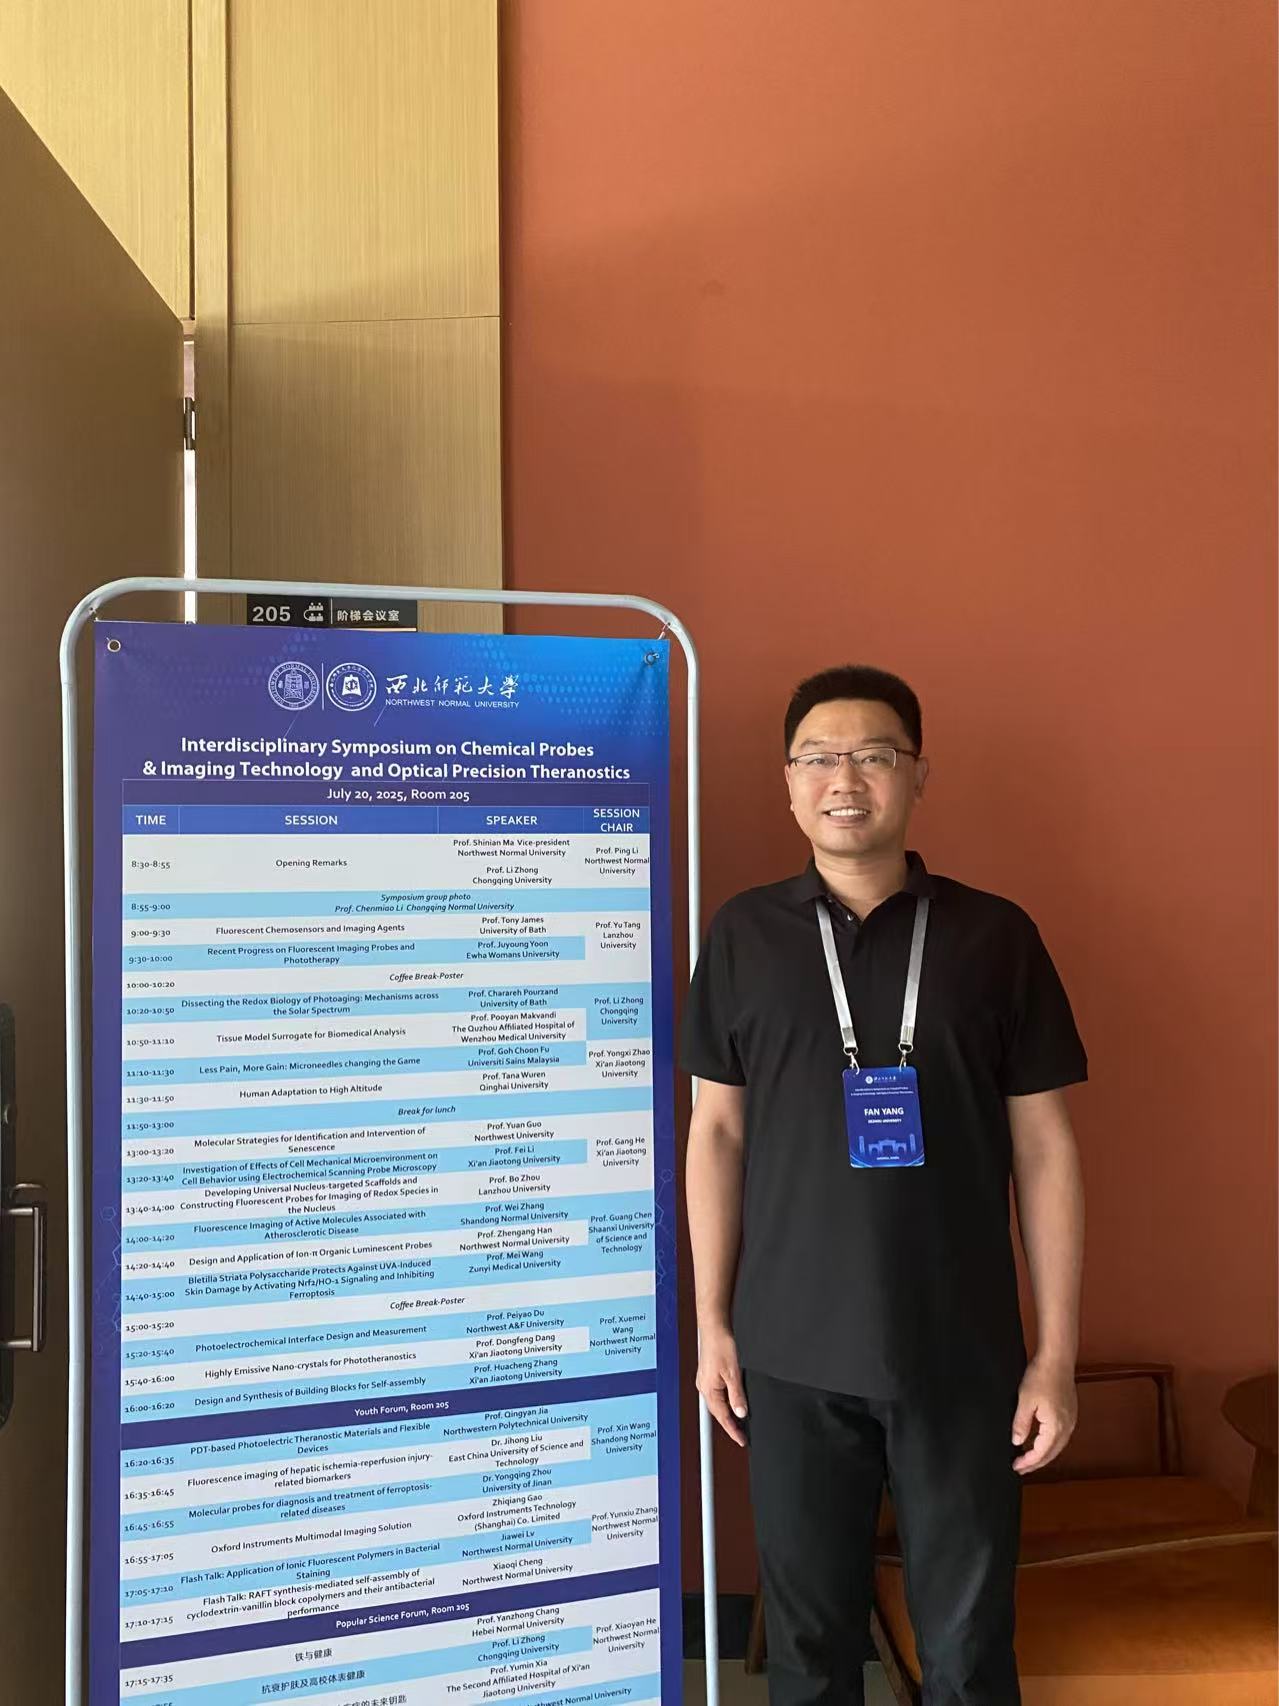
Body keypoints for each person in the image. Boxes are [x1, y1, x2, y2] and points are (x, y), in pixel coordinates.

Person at [681, 665, 1087, 1706]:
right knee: (808, 1649)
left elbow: (1044, 1147)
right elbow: (716, 1131)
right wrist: (713, 1322)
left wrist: (1054, 1353)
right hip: (789, 1351)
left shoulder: (996, 936)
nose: (844, 778)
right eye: (818, 757)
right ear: (787, 782)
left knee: (967, 1650)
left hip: (960, 1351)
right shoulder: (741, 935)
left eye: (873, 755)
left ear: (917, 775)